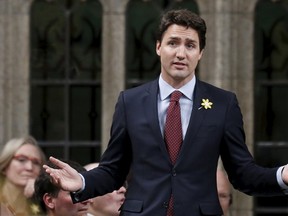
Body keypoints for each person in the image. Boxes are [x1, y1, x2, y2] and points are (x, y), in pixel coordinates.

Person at [43, 9, 288, 216]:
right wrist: (83, 182)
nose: (181, 53)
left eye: (190, 45)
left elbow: (243, 174)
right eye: (173, 43)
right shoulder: (130, 102)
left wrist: (283, 175)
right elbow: (113, 170)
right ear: (159, 47)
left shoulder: (223, 103)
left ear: (200, 53)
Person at [0, 136, 46, 215]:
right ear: (5, 166)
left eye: (36, 162)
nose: (30, 167)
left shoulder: (44, 205)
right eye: (21, 160)